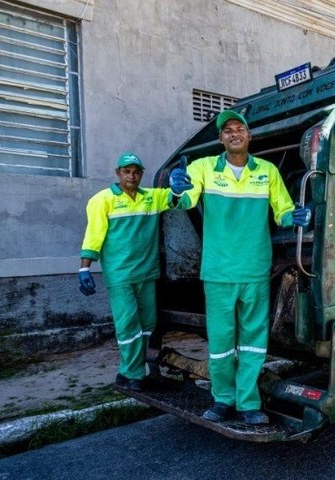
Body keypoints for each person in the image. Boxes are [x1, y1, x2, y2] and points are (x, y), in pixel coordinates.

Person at [169, 110, 310, 425]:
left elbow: (283, 211)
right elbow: (186, 200)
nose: (234, 133)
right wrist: (176, 189)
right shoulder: (203, 167)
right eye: (228, 130)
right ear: (221, 138)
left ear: (249, 135)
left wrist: (296, 217)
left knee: (252, 344)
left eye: (239, 128)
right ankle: (222, 400)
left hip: (255, 270)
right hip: (219, 271)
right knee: (221, 344)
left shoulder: (268, 171)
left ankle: (248, 404)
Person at [79, 152, 174, 392]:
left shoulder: (151, 197)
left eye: (136, 172)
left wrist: (181, 185)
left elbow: (178, 199)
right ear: (118, 173)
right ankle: (134, 374)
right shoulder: (102, 200)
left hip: (147, 273)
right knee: (128, 325)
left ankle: (128, 370)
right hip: (120, 275)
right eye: (126, 171)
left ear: (141, 174)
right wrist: (85, 267)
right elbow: (94, 235)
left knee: (147, 325)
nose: (131, 176)